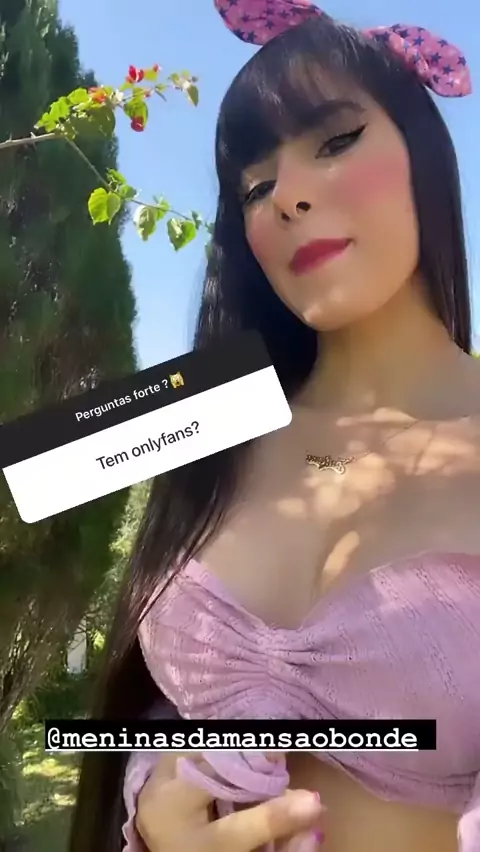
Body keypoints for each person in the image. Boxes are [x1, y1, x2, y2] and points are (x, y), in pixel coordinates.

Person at [69, 2, 480, 851]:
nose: (288, 197)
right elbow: (29, 472)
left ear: (424, 152)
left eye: (336, 141)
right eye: (255, 187)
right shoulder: (204, 403)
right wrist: (150, 796)